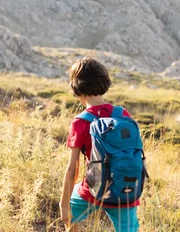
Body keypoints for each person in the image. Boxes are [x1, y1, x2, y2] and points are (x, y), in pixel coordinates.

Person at [60, 57, 140, 232]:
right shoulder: (122, 114)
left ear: (75, 87)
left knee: (71, 215)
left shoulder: (80, 121)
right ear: (104, 82)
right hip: (125, 191)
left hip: (92, 190)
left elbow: (72, 168)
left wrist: (63, 204)